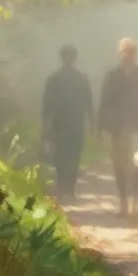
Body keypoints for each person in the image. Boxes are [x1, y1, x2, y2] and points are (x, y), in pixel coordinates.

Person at [97, 37, 138, 216]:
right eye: (124, 51)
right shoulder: (113, 76)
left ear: (135, 54)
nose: (128, 55)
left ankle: (134, 198)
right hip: (117, 129)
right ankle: (123, 199)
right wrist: (99, 127)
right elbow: (104, 101)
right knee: (119, 164)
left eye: (131, 52)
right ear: (119, 54)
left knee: (137, 162)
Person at [41, 44, 95, 199]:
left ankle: (63, 185)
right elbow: (88, 102)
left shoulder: (54, 78)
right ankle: (68, 187)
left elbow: (47, 104)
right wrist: (91, 122)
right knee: (73, 154)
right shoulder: (80, 78)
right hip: (75, 122)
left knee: (61, 154)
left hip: (60, 122)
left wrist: (45, 125)